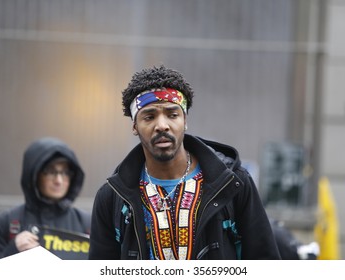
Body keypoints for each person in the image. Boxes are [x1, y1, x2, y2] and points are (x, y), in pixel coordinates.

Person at [88, 65, 281, 260]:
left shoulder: (233, 183)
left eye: (172, 115)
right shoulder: (112, 197)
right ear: (135, 126)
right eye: (149, 117)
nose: (162, 126)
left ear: (185, 120)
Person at [0, 137, 91, 259]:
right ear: (34, 174)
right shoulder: (6, 222)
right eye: (50, 171)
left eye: (65, 172)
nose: (58, 180)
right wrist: (12, 251)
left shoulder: (88, 224)